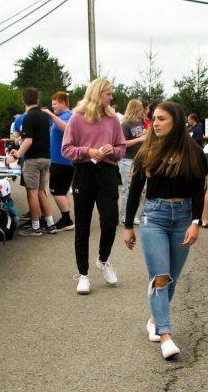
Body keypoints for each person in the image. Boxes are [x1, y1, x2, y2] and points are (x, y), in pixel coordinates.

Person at [123, 101, 207, 359]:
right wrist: (128, 226)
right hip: (154, 218)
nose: (155, 123)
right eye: (154, 119)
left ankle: (154, 320)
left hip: (182, 219)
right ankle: (166, 335)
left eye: (161, 119)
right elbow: (135, 190)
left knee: (171, 278)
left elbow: (197, 190)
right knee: (160, 276)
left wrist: (196, 222)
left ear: (176, 121)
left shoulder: (193, 150)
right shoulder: (147, 149)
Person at [61, 78, 126, 294]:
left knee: (110, 221)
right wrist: (87, 151)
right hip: (84, 172)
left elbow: (122, 148)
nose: (111, 97)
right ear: (97, 93)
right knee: (83, 225)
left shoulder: (113, 119)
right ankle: (83, 274)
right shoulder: (77, 118)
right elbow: (66, 149)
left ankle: (103, 260)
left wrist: (112, 150)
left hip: (107, 172)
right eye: (108, 93)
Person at [9, 87, 57, 237]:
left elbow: (28, 141)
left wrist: (17, 155)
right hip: (46, 158)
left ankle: (35, 226)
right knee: (42, 191)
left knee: (32, 192)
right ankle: (50, 223)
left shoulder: (28, 117)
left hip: (33, 159)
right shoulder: (44, 116)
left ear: (23, 101)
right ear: (37, 100)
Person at [43, 92, 75, 231]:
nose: (53, 106)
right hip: (60, 160)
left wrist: (51, 115)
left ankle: (67, 220)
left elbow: (67, 129)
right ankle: (66, 217)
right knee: (64, 191)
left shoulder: (68, 116)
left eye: (55, 104)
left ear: (63, 103)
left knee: (56, 191)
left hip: (62, 161)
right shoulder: (61, 116)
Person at [119, 99, 147, 224]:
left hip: (139, 160)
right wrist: (140, 138)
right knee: (128, 189)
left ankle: (134, 215)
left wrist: (144, 134)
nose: (143, 110)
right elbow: (122, 143)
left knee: (141, 189)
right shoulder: (125, 124)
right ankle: (124, 215)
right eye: (141, 108)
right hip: (127, 160)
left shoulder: (140, 122)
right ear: (136, 108)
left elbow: (139, 137)